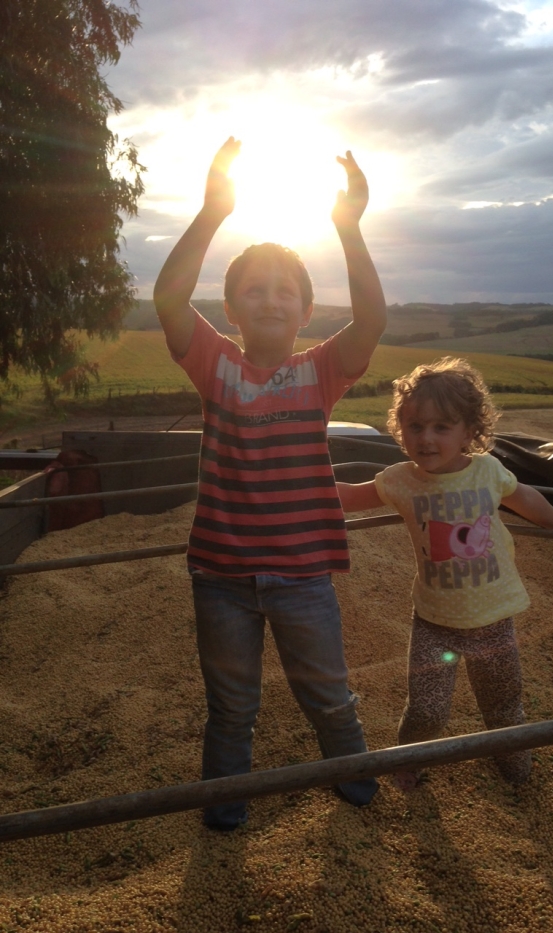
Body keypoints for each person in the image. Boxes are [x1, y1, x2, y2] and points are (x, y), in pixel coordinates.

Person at [153, 137, 387, 829]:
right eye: (253, 290)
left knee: (328, 693)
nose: (270, 299)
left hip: (303, 575)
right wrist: (211, 212)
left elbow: (372, 319)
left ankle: (353, 776)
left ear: (305, 311)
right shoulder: (213, 365)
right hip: (220, 576)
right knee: (231, 703)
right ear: (230, 309)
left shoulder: (320, 372)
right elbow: (168, 296)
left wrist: (347, 226)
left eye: (285, 290)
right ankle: (224, 804)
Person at [337, 357, 553, 791]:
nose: (426, 437)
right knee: (426, 711)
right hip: (433, 624)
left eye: (442, 427)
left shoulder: (487, 471)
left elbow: (523, 497)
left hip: (494, 621)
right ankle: (410, 764)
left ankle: (513, 767)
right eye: (414, 425)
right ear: (400, 428)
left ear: (469, 431)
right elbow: (349, 496)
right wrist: (297, 481)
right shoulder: (400, 479)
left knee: (502, 705)